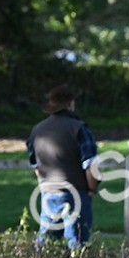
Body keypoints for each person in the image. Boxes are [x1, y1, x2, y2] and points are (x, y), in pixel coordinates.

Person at [27, 84, 99, 248]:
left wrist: (45, 187)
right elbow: (91, 165)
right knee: (77, 243)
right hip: (76, 193)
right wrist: (91, 189)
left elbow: (36, 166)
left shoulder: (37, 130)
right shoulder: (79, 128)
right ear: (70, 103)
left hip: (48, 193)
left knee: (45, 244)